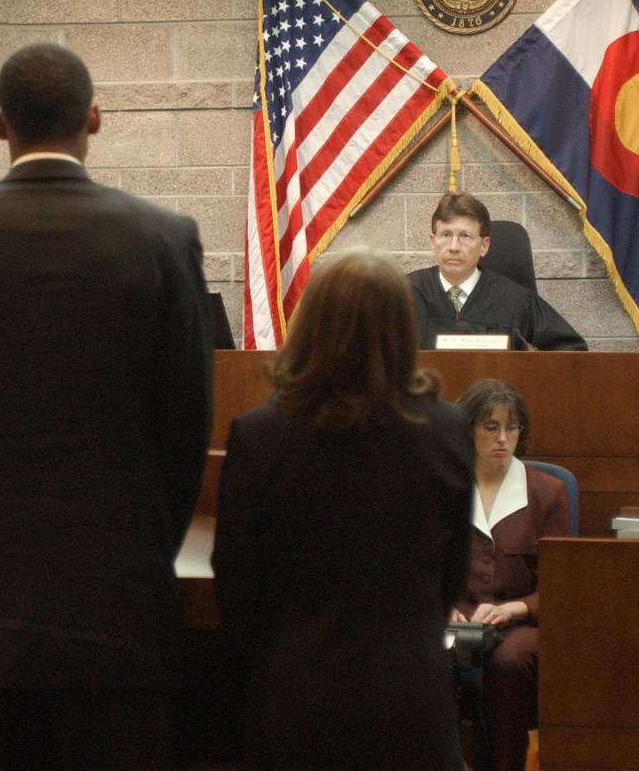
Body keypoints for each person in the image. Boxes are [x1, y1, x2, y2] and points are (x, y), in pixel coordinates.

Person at [0, 43, 214, 770]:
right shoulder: (163, 239)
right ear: (95, 117)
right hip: (120, 605)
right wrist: (146, 544)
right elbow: (186, 422)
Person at [211, 247, 474, 770]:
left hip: (296, 700)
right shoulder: (446, 432)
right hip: (411, 699)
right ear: (403, 329)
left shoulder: (259, 437)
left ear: (310, 323)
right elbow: (452, 573)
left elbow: (236, 585)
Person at [453, 379, 572, 771]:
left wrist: (517, 609)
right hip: (456, 622)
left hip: (521, 625)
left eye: (512, 427)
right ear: (467, 429)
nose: (503, 438)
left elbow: (563, 584)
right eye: (491, 427)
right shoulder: (443, 487)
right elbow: (419, 567)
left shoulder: (547, 492)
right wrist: (443, 607)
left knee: (508, 661)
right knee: (425, 657)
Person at [409, 191, 587, 350]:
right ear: (433, 242)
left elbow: (571, 352)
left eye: (465, 236)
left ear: (484, 246)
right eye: (446, 235)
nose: (454, 247)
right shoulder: (402, 295)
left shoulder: (515, 301)